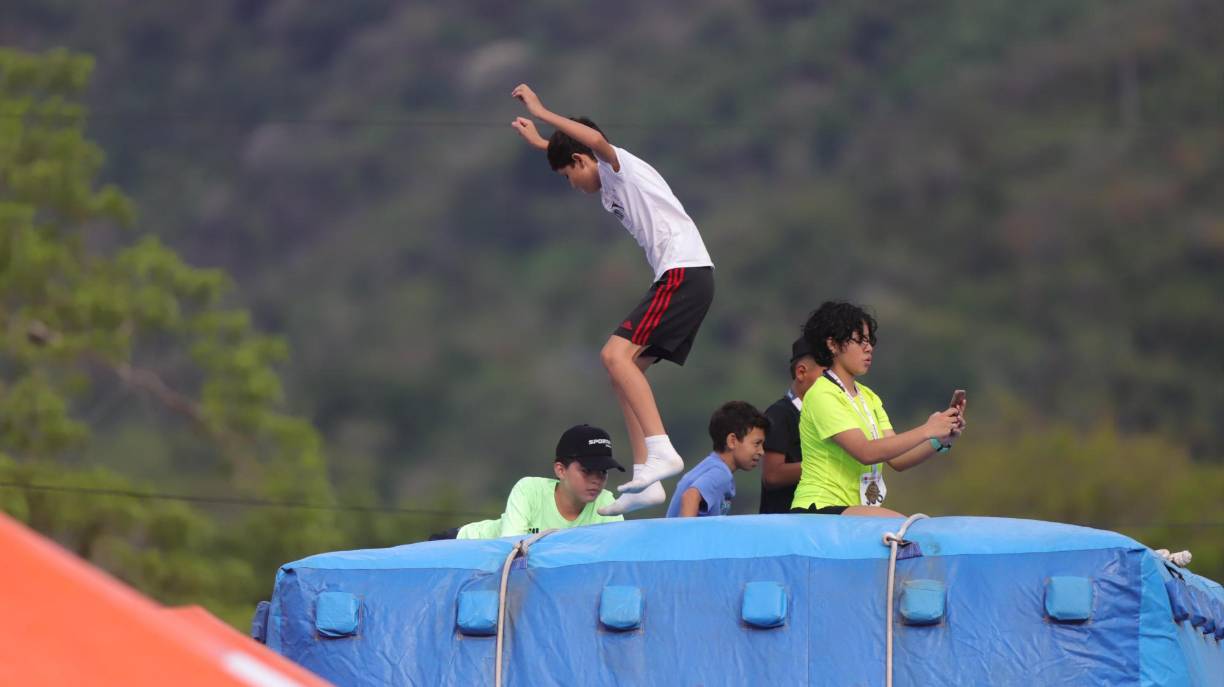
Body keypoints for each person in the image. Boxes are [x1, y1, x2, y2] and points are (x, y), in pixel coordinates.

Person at [510, 84, 715, 516]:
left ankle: (661, 450)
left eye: (569, 175)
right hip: (686, 276)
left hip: (683, 272)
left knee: (613, 355)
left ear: (582, 160)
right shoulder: (603, 180)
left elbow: (594, 141)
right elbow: (576, 149)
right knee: (626, 370)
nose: (572, 185)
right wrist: (543, 145)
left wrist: (545, 112)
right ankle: (647, 478)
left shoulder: (617, 166)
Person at [790, 302, 966, 517]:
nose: (869, 348)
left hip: (852, 510)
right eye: (860, 340)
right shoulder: (822, 394)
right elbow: (866, 452)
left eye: (870, 341)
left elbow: (898, 460)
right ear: (832, 345)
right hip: (820, 508)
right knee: (904, 529)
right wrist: (927, 429)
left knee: (909, 529)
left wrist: (941, 439)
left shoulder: (868, 397)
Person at [454, 425, 626, 539]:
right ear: (560, 470)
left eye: (603, 471)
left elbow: (616, 559)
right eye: (587, 470)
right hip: (461, 545)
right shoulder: (529, 490)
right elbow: (512, 552)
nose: (597, 480)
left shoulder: (607, 505)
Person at [666, 401, 769, 518]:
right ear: (732, 441)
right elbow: (690, 497)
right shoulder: (720, 473)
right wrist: (690, 536)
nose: (761, 451)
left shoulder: (713, 466)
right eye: (757, 443)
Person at [758, 337, 823, 514]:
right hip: (784, 523)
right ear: (801, 372)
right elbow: (772, 475)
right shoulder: (780, 414)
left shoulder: (825, 418)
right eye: (826, 375)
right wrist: (825, 465)